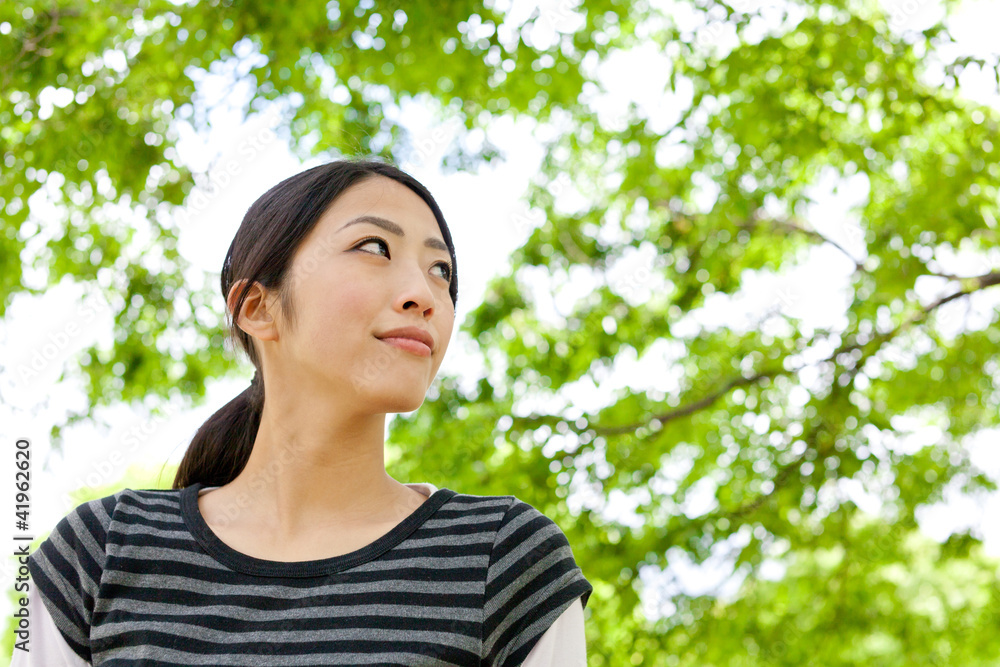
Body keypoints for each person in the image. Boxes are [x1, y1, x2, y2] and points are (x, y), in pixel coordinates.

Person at [19, 158, 592, 666]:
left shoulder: (505, 558)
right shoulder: (100, 551)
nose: (425, 293)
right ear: (256, 307)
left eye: (441, 270)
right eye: (374, 247)